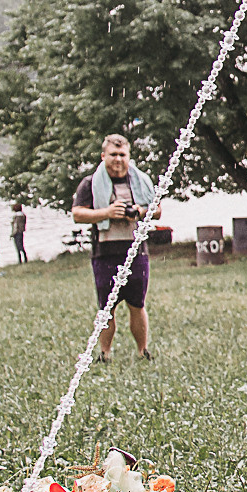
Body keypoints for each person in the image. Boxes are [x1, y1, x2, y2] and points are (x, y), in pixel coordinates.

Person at [71, 134, 156, 361]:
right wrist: (106, 213)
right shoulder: (90, 183)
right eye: (113, 155)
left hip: (136, 250)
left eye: (122, 155)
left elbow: (156, 209)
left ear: (129, 157)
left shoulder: (139, 181)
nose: (117, 160)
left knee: (137, 304)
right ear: (103, 156)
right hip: (104, 253)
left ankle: (142, 350)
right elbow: (78, 214)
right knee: (106, 307)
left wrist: (138, 212)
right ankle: (105, 353)